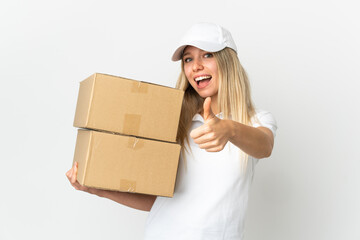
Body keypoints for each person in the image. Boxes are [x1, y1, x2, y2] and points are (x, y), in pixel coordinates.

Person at [66, 22, 277, 240]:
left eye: (207, 55)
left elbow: (264, 146)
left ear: (227, 61)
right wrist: (96, 189)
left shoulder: (256, 120)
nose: (195, 66)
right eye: (188, 59)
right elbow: (162, 199)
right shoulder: (173, 122)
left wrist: (229, 129)